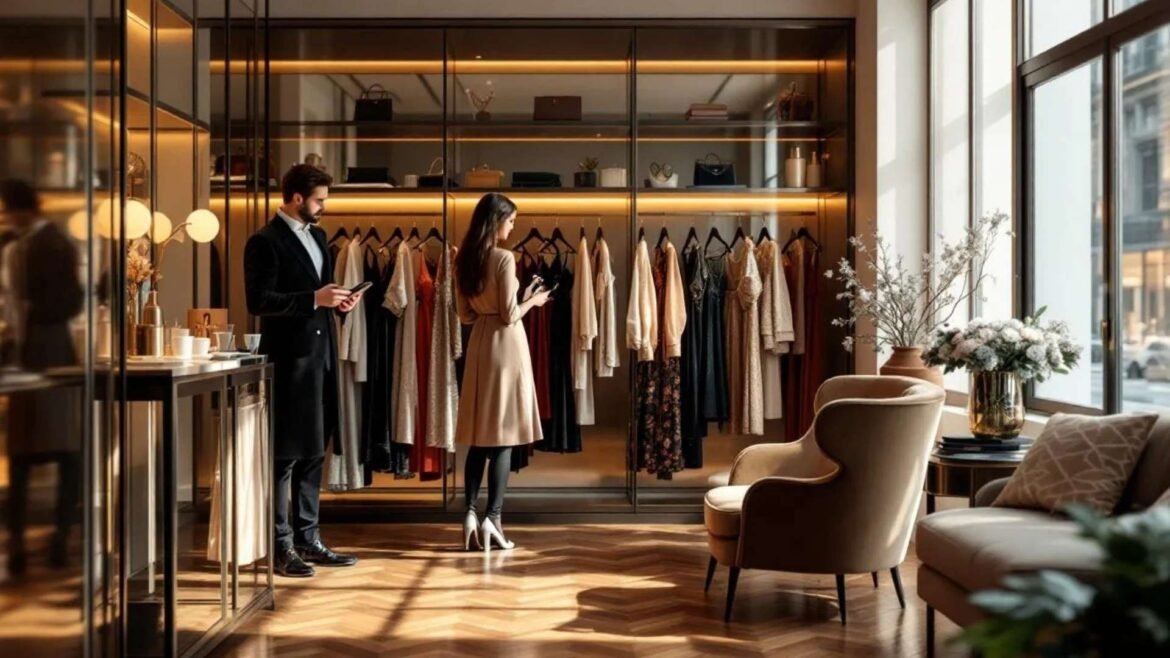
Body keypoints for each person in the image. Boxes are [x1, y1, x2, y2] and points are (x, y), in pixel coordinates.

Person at [244, 164, 364, 577]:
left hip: (322, 355)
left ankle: (308, 539)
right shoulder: (264, 241)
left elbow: (322, 295)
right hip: (290, 359)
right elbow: (259, 301)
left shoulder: (317, 236)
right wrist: (314, 299)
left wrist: (339, 303)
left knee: (314, 450)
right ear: (296, 198)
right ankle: (281, 547)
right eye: (319, 200)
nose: (323, 207)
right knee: (285, 456)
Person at [454, 193, 551, 553]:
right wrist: (534, 300)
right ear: (496, 222)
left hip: (479, 343)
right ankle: (493, 518)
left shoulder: (462, 259)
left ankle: (468, 513)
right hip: (506, 347)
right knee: (505, 437)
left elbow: (464, 314)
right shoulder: (504, 258)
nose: (513, 227)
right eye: (510, 221)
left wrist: (503, 303)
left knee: (480, 437)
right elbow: (511, 315)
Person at [0, 179, 84, 575]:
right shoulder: (13, 245)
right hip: (25, 355)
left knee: (66, 450)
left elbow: (70, 300)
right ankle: (18, 543)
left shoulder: (54, 244)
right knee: (21, 454)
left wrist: (30, 316)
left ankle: (58, 540)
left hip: (49, 354)